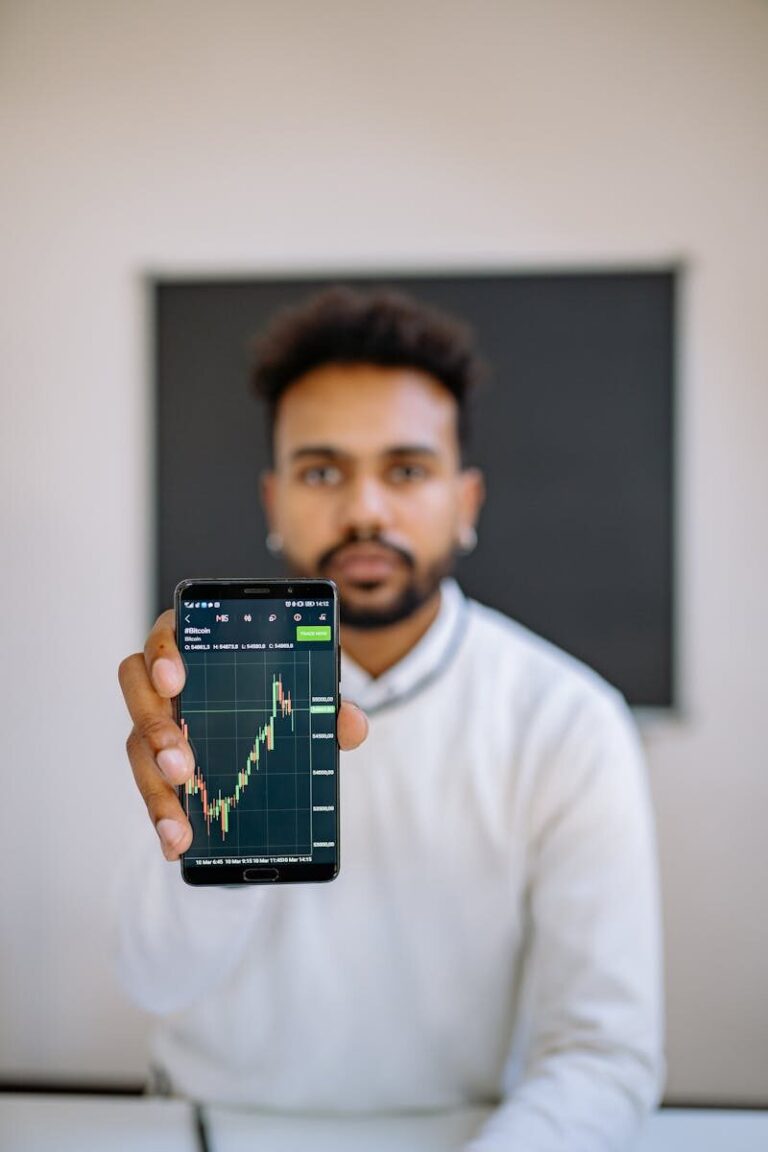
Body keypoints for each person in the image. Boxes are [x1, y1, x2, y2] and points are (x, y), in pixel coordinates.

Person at [117, 287, 664, 1150]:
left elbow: (606, 1053)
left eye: (406, 470)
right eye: (322, 471)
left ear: (467, 500)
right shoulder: (187, 696)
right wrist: (209, 823)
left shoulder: (569, 722)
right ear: (273, 501)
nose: (366, 509)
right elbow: (153, 981)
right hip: (212, 1127)